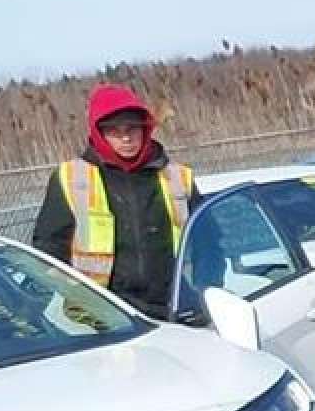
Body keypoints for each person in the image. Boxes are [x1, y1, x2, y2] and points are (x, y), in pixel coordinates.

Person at [30, 84, 198, 314]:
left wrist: (199, 292)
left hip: (174, 307)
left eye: (132, 129)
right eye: (115, 131)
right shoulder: (71, 178)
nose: (126, 138)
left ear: (145, 130)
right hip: (99, 315)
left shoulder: (178, 177)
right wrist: (74, 297)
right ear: (99, 132)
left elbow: (208, 242)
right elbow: (50, 249)